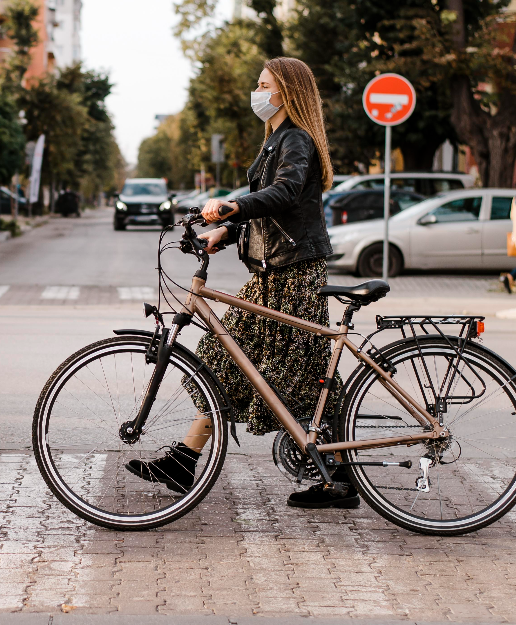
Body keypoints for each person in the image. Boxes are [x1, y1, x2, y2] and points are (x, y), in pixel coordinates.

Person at [125, 57, 359, 510]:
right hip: (272, 273)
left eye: (263, 84)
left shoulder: (297, 140)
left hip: (294, 274)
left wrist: (232, 206)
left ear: (286, 91)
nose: (258, 91)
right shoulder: (275, 141)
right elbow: (271, 209)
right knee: (221, 361)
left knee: (305, 376)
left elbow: (286, 194)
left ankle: (339, 477)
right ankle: (184, 460)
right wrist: (226, 231)